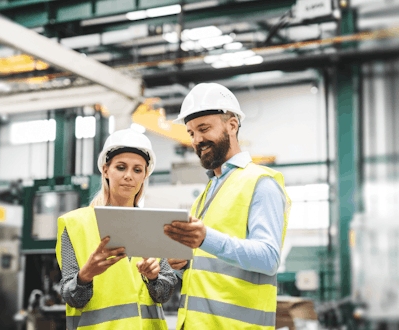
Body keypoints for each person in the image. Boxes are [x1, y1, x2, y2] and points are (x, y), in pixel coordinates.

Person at [164, 83, 291, 330]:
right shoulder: (204, 196)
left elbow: (269, 258)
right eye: (191, 133)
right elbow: (211, 267)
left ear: (232, 125)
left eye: (204, 128)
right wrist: (181, 264)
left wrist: (205, 239)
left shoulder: (261, 183)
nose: (197, 140)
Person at [56, 129, 177, 330]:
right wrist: (85, 276)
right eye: (121, 167)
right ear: (105, 170)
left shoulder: (154, 224)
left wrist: (154, 278)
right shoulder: (75, 224)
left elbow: (164, 294)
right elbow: (71, 298)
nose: (129, 176)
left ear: (145, 175)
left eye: (137, 170)